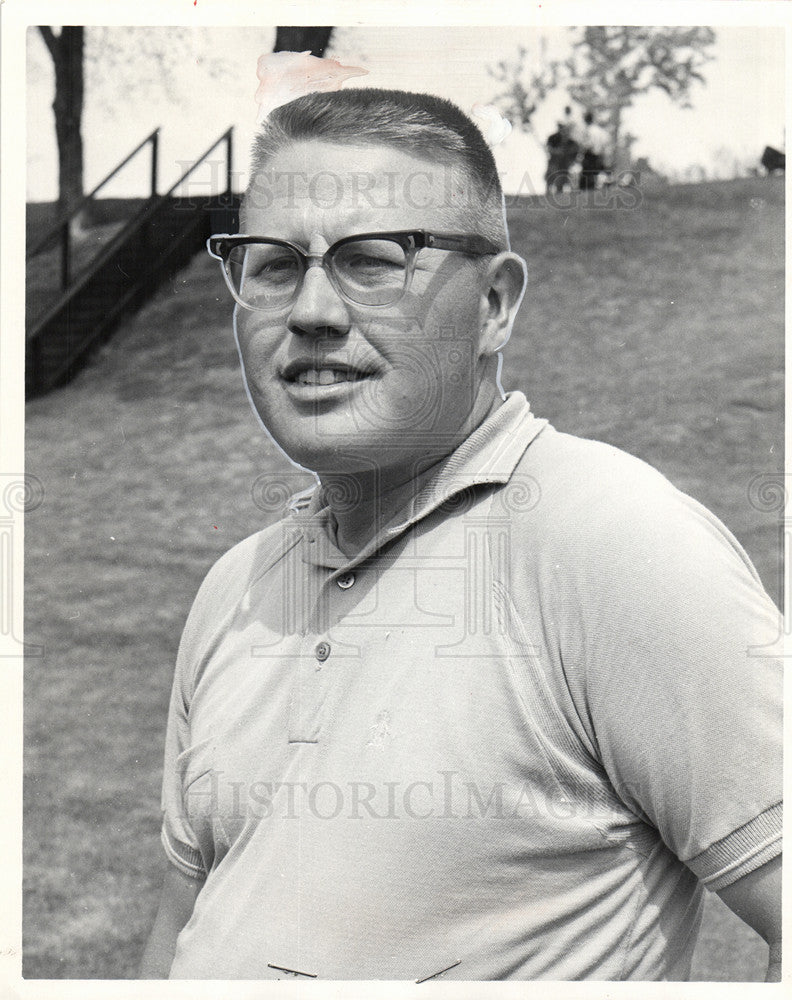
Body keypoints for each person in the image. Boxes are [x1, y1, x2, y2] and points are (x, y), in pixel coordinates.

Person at [140, 86, 782, 982]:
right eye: (275, 265)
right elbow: (183, 922)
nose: (313, 310)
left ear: (495, 306)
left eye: (374, 260)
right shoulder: (234, 589)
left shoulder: (613, 544)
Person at [579, 109, 610, 191]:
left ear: (586, 119)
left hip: (590, 154)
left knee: (587, 175)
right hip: (598, 154)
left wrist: (582, 152)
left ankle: (587, 190)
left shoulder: (589, 130)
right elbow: (605, 142)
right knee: (594, 173)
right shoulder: (599, 130)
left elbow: (588, 144)